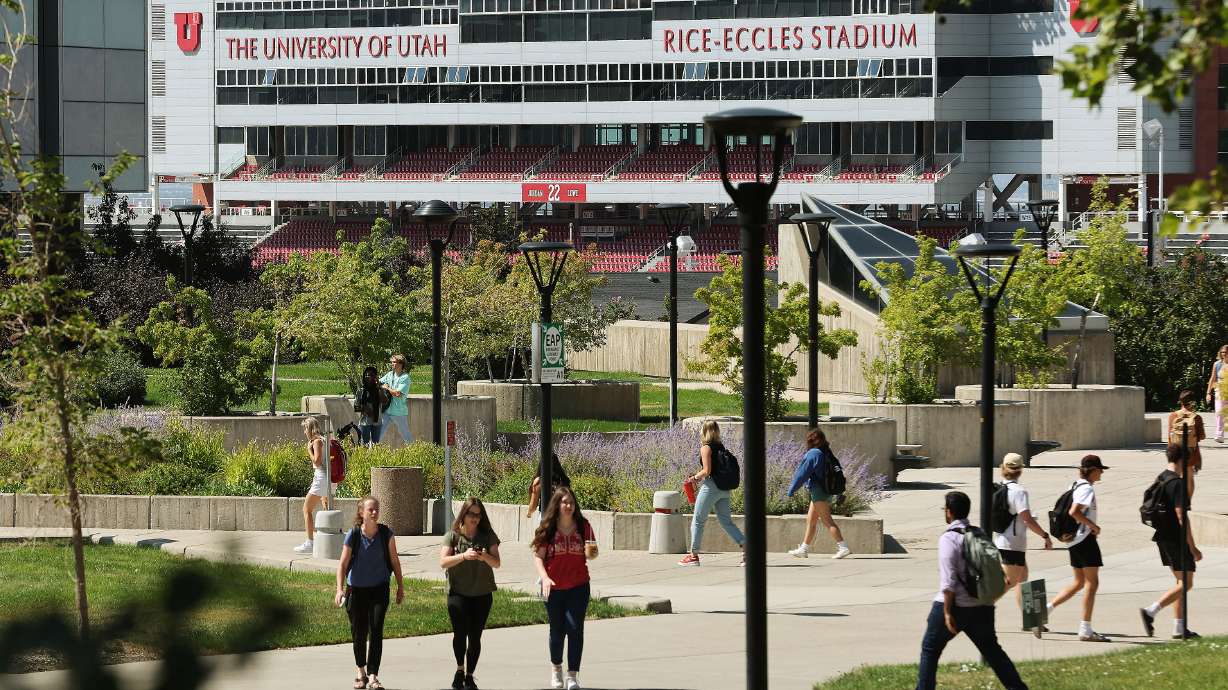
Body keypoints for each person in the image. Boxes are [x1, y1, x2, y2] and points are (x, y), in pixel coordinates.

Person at [916, 491, 1028, 690]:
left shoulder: (948, 539)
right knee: (993, 652)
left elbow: (948, 581)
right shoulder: (979, 533)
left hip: (955, 605)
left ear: (949, 513)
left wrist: (948, 612)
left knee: (930, 650)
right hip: (982, 605)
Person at [335, 496, 405, 690]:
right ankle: (361, 672)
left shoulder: (386, 534)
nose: (374, 512)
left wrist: (400, 587)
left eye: (376, 509)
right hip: (356, 591)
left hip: (379, 590)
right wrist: (339, 589)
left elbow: (395, 562)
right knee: (359, 632)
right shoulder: (354, 534)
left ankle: (373, 675)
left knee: (376, 630)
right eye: (370, 510)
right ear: (361, 513)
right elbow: (342, 564)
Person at [532, 487, 597, 690]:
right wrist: (544, 578)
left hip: (579, 585)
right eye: (564, 502)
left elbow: (592, 551)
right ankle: (556, 669)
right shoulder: (549, 528)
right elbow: (538, 557)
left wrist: (592, 552)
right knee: (557, 631)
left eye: (571, 503)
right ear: (557, 505)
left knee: (575, 629)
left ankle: (572, 676)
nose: (568, 506)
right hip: (554, 588)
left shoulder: (583, 526)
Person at [1139, 444, 1203, 640]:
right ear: (1182, 460)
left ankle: (1179, 627)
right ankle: (1151, 611)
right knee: (1186, 583)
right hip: (1176, 538)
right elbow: (1181, 516)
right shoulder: (1177, 483)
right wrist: (1193, 547)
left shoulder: (1162, 477)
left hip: (1163, 537)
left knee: (1180, 581)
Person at [440, 497, 502, 690]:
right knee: (460, 634)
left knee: (475, 637)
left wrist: (484, 556)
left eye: (478, 514)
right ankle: (459, 669)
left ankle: (469, 676)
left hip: (482, 594)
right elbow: (443, 562)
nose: (475, 518)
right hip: (458, 592)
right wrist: (463, 556)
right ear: (463, 515)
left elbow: (497, 563)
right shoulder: (453, 536)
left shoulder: (487, 535)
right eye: (471, 514)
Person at [1047, 455, 1110, 642]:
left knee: (1079, 582)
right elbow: (1073, 511)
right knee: (1092, 583)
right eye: (1100, 469)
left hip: (1075, 541)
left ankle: (1045, 610)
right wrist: (1093, 526)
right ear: (1092, 471)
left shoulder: (1074, 485)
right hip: (1084, 540)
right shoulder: (1086, 489)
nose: (1102, 473)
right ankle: (1085, 628)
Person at [991, 453, 1053, 626]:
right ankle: (976, 611)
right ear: (1020, 471)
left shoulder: (1000, 489)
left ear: (1003, 469)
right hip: (1013, 545)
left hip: (1004, 541)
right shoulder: (1019, 491)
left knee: (1021, 580)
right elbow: (1026, 519)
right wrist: (1045, 535)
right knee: (1006, 584)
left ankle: (1033, 620)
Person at [678, 420, 745, 567]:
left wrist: (693, 478)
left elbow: (707, 471)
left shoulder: (706, 448)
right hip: (724, 488)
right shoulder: (720, 447)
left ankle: (693, 555)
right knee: (726, 522)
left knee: (698, 520)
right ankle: (747, 549)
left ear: (704, 431)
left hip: (711, 487)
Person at [785, 428, 851, 560]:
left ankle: (843, 547)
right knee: (811, 520)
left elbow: (802, 474)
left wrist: (791, 490)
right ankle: (804, 549)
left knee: (827, 521)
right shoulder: (826, 451)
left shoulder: (813, 453)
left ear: (810, 440)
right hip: (825, 490)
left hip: (818, 491)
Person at [295, 416, 335, 554]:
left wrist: (309, 451)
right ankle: (329, 539)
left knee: (307, 509)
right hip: (330, 479)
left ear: (309, 429)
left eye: (305, 429)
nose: (304, 432)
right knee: (326, 508)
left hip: (321, 478)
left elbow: (317, 462)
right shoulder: (325, 439)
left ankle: (310, 542)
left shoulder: (317, 441)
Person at [1167, 389, 1205, 498]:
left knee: (1174, 477)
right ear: (1193, 402)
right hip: (1190, 452)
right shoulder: (1197, 418)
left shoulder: (1173, 416)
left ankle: (1176, 502)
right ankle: (1186, 504)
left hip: (1175, 452)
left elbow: (1170, 436)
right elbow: (1201, 437)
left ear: (1181, 401)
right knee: (1188, 477)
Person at [380, 353, 412, 444]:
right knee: (378, 433)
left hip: (399, 412)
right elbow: (379, 382)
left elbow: (398, 393)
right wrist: (381, 385)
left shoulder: (405, 378)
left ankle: (414, 452)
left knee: (406, 436)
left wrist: (387, 388)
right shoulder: (390, 374)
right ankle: (369, 453)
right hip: (387, 410)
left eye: (395, 362)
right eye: (392, 362)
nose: (392, 364)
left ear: (401, 364)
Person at [527, 453, 572, 518]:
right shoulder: (563, 480)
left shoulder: (539, 481)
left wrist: (529, 513)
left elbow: (534, 505)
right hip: (562, 517)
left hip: (545, 516)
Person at [354, 365, 385, 447]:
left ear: (375, 377)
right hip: (365, 422)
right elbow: (356, 407)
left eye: (371, 375)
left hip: (377, 421)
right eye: (366, 375)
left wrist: (379, 388)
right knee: (364, 445)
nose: (368, 377)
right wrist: (365, 410)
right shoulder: (361, 391)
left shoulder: (379, 390)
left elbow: (384, 401)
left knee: (376, 445)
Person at [1206, 344, 1228, 443]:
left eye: (1226, 352)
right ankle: (1219, 435)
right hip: (1220, 390)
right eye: (1223, 352)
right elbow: (1212, 378)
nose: (1224, 354)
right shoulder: (1217, 364)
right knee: (1219, 412)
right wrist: (1208, 392)